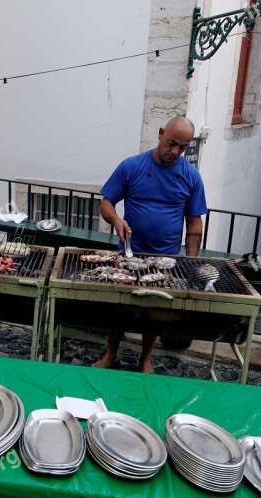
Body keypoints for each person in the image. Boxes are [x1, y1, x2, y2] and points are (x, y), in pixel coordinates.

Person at [91, 116, 207, 372]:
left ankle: (145, 357)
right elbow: (106, 203)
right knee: (120, 307)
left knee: (155, 310)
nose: (175, 152)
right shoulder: (131, 166)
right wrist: (116, 220)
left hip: (166, 258)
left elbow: (194, 224)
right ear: (161, 133)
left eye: (182, 148)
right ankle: (111, 353)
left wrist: (189, 261)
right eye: (171, 144)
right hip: (130, 253)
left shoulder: (191, 176)